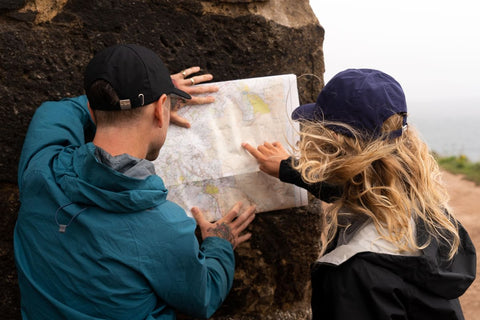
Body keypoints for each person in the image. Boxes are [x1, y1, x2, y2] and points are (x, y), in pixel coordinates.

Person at [14, 44, 256, 320]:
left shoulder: (39, 168)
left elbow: (57, 111)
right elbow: (204, 296)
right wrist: (218, 244)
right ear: (161, 109)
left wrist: (127, 99)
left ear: (93, 112)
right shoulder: (165, 228)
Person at [243, 68, 476, 319]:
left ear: (331, 141)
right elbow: (355, 188)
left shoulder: (354, 271)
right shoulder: (426, 213)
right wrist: (288, 168)